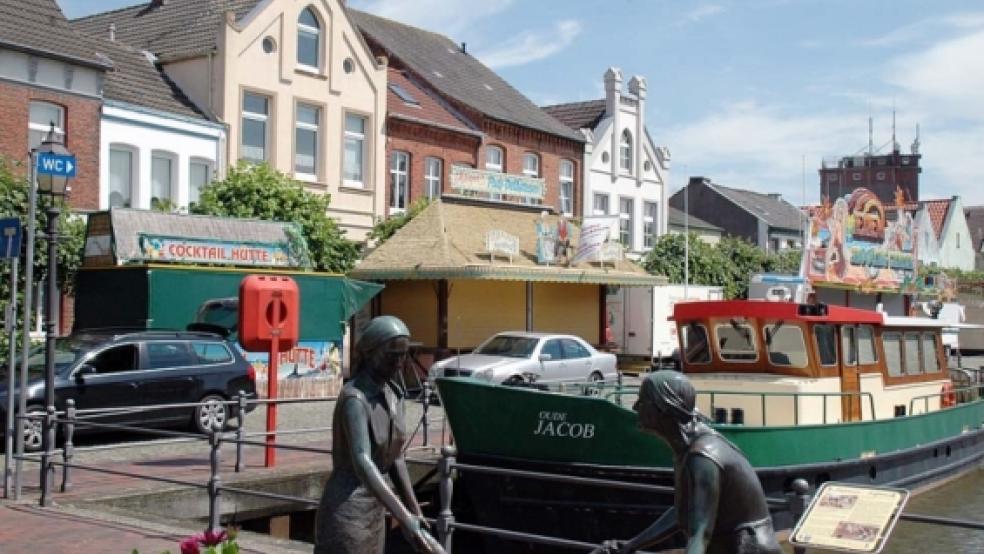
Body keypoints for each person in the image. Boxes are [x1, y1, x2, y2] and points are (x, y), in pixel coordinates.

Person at [594, 371, 781, 554]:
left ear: (664, 407)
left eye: (642, 401)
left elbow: (700, 533)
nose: (635, 407)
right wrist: (631, 545)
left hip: (746, 548)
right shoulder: (688, 448)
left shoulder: (702, 457)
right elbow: (683, 513)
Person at [315, 316, 444, 554]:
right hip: (348, 508)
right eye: (392, 355)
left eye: (403, 355)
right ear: (369, 353)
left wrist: (415, 509)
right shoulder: (354, 399)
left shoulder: (393, 394)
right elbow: (363, 461)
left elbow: (395, 458)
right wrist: (404, 518)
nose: (399, 362)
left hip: (376, 506)